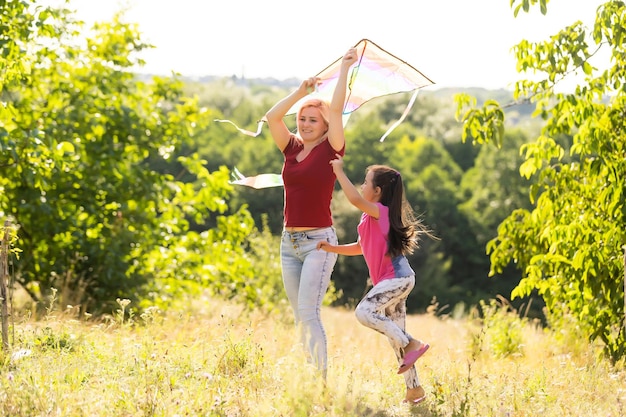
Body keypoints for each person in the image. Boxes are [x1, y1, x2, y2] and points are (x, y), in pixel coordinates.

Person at [264, 47, 357, 378]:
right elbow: (273, 117)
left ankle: (319, 383)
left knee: (309, 311)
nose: (304, 124)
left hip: (319, 241)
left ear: (325, 124)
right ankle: (309, 377)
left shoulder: (332, 147)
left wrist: (344, 68)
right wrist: (301, 93)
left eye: (311, 120)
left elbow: (336, 107)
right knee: (298, 314)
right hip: (288, 243)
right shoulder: (290, 148)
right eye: (302, 119)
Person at [316, 156, 433, 404]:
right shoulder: (369, 219)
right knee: (394, 336)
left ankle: (411, 342)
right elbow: (361, 247)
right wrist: (331, 248)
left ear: (377, 191)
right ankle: (415, 391)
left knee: (364, 312)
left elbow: (355, 200)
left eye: (365, 182)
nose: (361, 186)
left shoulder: (382, 212)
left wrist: (338, 171)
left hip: (397, 279)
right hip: (395, 282)